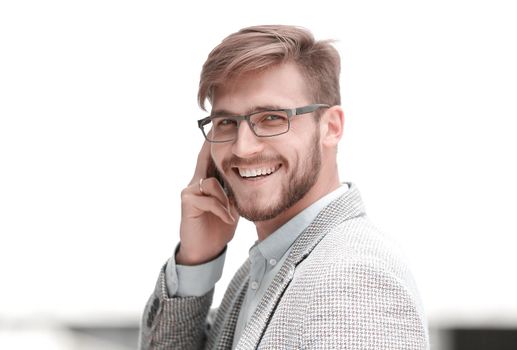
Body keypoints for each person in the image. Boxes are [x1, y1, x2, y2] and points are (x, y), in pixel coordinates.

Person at [139, 25, 429, 349]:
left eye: (272, 118)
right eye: (226, 122)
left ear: (330, 127)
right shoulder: (264, 266)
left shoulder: (353, 278)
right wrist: (196, 261)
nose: (242, 148)